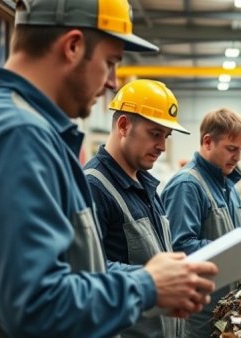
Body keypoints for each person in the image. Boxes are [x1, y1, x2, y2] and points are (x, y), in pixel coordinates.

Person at [0, 0, 217, 337]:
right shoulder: (17, 136)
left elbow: (71, 268)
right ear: (73, 46)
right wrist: (145, 285)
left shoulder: (8, 122)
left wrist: (150, 279)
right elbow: (36, 305)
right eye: (110, 63)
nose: (112, 82)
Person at [161, 108, 241, 337]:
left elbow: (227, 237)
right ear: (208, 142)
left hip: (227, 308)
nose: (238, 157)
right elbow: (179, 248)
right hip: (198, 316)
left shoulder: (228, 186)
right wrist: (240, 254)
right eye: (231, 149)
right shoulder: (187, 186)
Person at [84, 79, 190, 337]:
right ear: (123, 126)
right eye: (155, 133)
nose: (162, 146)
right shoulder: (92, 187)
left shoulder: (148, 187)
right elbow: (85, 272)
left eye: (166, 136)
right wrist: (151, 281)